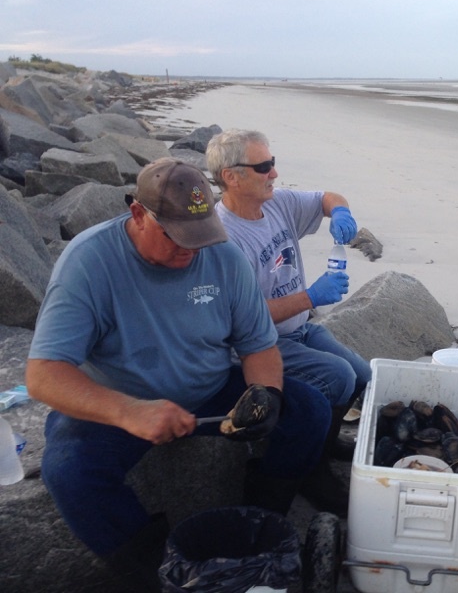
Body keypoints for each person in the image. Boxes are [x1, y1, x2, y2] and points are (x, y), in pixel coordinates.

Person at [26, 158, 331, 592]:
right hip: (119, 400)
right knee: (69, 470)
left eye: (200, 236)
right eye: (176, 237)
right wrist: (129, 411)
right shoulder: (89, 261)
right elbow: (43, 375)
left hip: (209, 387)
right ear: (137, 214)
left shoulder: (221, 256)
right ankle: (158, 572)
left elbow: (258, 345)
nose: (190, 249)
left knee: (309, 410)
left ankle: (258, 522)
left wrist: (266, 394)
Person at [206, 129, 371, 515]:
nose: (274, 174)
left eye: (273, 163)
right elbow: (244, 318)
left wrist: (341, 212)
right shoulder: (225, 239)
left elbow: (327, 198)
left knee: (363, 374)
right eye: (263, 167)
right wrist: (311, 297)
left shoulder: (275, 203)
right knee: (338, 377)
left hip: (298, 327)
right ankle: (312, 471)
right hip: (257, 343)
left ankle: (324, 448)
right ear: (231, 176)